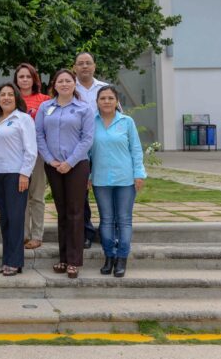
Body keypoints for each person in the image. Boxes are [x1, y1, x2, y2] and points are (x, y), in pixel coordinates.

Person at [35, 69, 95, 279]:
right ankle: (62, 258)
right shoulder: (45, 107)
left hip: (76, 166)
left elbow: (87, 139)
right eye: (60, 81)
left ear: (74, 84)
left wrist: (69, 163)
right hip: (53, 165)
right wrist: (51, 160)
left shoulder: (84, 109)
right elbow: (39, 135)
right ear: (54, 85)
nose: (64, 84)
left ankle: (74, 260)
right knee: (61, 212)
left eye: (68, 81)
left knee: (75, 211)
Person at [90, 85, 146, 278]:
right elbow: (87, 152)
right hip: (100, 179)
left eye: (110, 98)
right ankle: (109, 256)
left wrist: (139, 173)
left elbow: (136, 149)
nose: (106, 101)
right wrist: (88, 176)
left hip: (125, 179)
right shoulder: (91, 122)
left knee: (123, 220)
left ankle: (122, 257)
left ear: (117, 101)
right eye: (102, 98)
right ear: (97, 102)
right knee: (106, 220)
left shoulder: (127, 122)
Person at [0, 83, 37, 277]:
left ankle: (15, 261)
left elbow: (31, 150)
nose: (6, 98)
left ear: (16, 98)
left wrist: (25, 174)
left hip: (16, 174)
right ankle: (7, 258)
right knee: (4, 219)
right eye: (2, 95)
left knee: (15, 219)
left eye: (10, 95)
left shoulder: (23, 119)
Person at [13, 63, 50, 250]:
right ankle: (23, 234)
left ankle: (37, 235)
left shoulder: (45, 100)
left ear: (34, 79)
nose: (25, 80)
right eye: (21, 77)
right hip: (14, 154)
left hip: (37, 154)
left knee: (36, 196)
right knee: (21, 196)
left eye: (28, 76)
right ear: (16, 80)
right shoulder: (11, 99)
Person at [74, 51, 107, 249]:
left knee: (103, 189)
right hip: (78, 150)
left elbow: (117, 115)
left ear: (94, 66)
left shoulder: (103, 89)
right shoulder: (69, 87)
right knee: (80, 194)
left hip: (102, 148)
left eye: (88, 63)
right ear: (75, 67)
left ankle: (107, 230)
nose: (84, 66)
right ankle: (85, 231)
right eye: (80, 63)